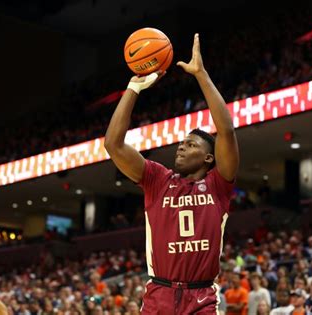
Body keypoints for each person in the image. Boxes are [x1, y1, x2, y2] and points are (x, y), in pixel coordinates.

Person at [105, 33, 239, 314]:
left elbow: (226, 130)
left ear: (208, 157)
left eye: (190, 145)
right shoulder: (158, 180)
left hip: (201, 296)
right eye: (181, 144)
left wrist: (201, 75)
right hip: (159, 294)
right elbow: (113, 144)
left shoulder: (219, 184)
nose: (181, 148)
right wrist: (134, 88)